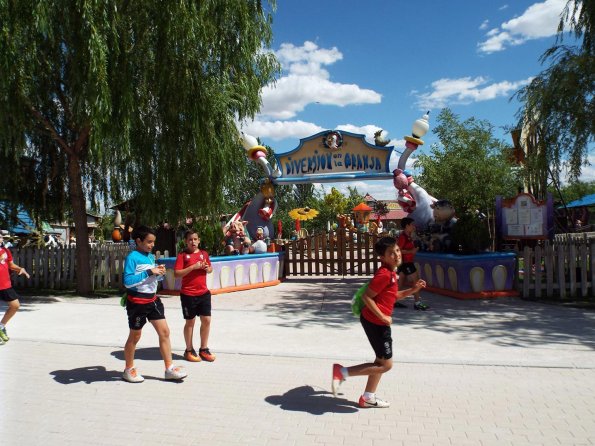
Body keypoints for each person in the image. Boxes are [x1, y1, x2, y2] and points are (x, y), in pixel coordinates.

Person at [332, 236, 426, 408]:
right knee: (386, 365)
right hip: (376, 323)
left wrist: (413, 290)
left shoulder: (391, 274)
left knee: (379, 361)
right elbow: (368, 296)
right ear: (382, 257)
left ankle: (368, 397)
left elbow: (392, 297)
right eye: (391, 253)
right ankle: (342, 372)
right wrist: (383, 317)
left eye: (397, 250)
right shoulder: (384, 274)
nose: (397, 255)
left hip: (375, 321)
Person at [122, 225, 187, 383]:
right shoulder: (133, 257)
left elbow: (150, 280)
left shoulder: (150, 257)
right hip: (137, 303)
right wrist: (150, 272)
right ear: (139, 241)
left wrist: (159, 275)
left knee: (164, 332)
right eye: (149, 242)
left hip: (153, 301)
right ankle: (128, 369)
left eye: (153, 242)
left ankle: (169, 368)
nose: (152, 245)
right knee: (135, 336)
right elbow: (127, 282)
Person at [174, 229, 216, 362]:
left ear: (199, 240)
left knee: (207, 320)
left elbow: (210, 269)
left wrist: (206, 268)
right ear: (186, 241)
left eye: (195, 239)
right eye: (190, 239)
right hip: (188, 294)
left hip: (203, 293)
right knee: (190, 322)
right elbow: (176, 273)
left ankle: (203, 349)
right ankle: (189, 350)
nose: (193, 242)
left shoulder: (204, 254)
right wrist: (192, 267)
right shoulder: (182, 255)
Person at [0, 233, 30, 344]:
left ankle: (1, 326)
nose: (1, 239)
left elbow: (11, 265)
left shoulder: (5, 251)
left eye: (1, 237)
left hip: (5, 285)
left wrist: (20, 269)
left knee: (15, 306)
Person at [397, 217, 429, 310]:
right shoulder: (403, 237)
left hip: (405, 262)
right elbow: (398, 250)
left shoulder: (409, 236)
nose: (413, 226)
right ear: (407, 226)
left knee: (401, 282)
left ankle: (393, 300)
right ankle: (417, 303)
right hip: (406, 263)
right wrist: (411, 251)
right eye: (412, 225)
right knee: (417, 281)